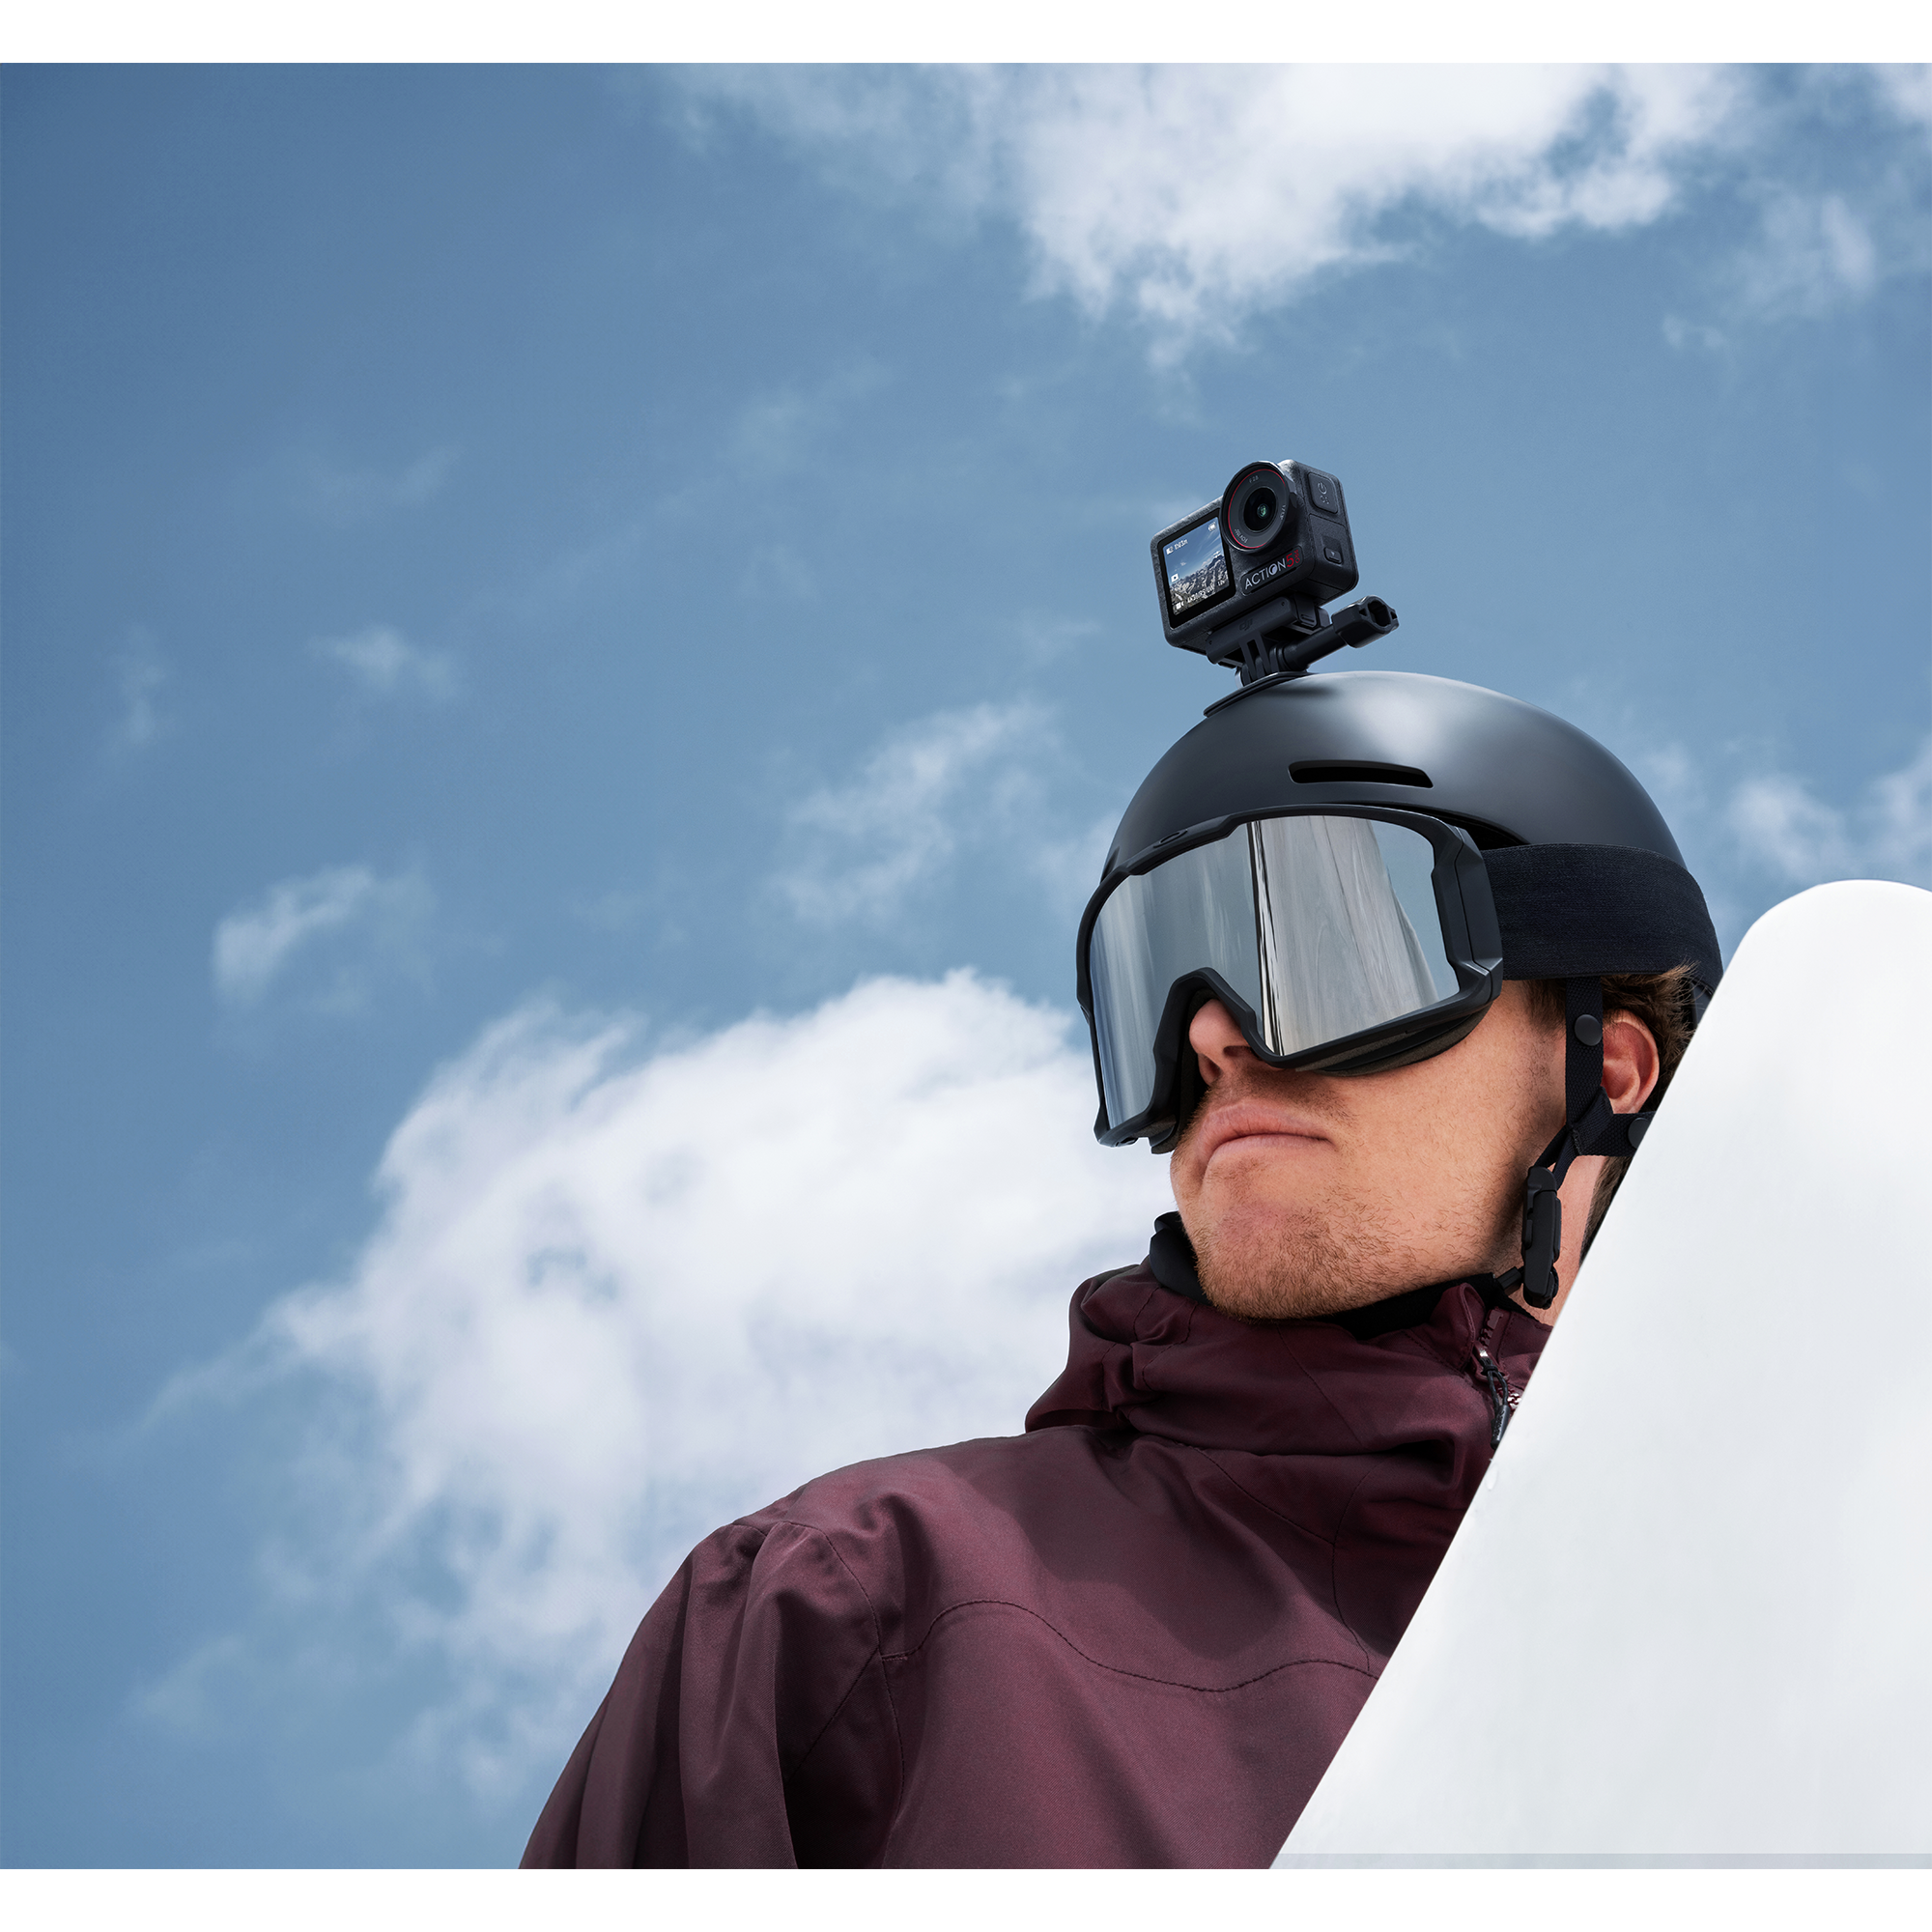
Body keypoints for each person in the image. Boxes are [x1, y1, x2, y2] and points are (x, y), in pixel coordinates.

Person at [522, 667, 1721, 1868]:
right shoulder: (844, 1610)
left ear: (1605, 1068)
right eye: (1162, 972)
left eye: (1329, 947)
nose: (1210, 1031)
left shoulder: (1749, 1642)